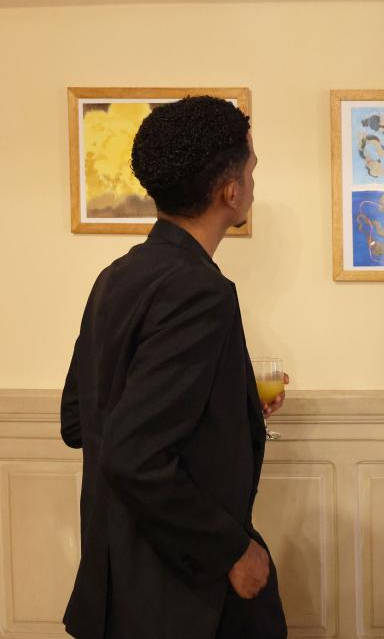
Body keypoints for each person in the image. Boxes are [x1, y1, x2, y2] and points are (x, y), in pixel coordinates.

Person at [60, 96, 288, 639]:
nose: (253, 183)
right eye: (251, 171)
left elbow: (80, 419)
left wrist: (232, 403)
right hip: (181, 594)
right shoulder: (200, 290)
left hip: (117, 585)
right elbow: (133, 454)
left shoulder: (116, 277)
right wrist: (232, 551)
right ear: (230, 192)